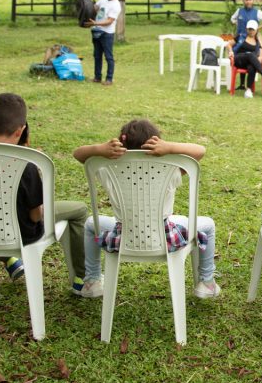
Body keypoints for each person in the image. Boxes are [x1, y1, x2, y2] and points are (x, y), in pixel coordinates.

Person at [0, 93, 88, 292]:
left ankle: (9, 260)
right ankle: (82, 279)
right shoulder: (27, 164)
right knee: (80, 210)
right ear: (20, 130)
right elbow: (35, 216)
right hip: (25, 234)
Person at [73, 119, 221, 300]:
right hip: (164, 238)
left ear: (121, 143)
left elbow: (78, 153)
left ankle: (92, 281)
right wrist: (170, 147)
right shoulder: (170, 168)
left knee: (90, 224)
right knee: (208, 224)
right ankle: (206, 282)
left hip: (123, 236)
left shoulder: (107, 169)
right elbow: (200, 151)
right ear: (157, 143)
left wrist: (100, 149)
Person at [83, 0, 121, 86]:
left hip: (107, 34)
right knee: (97, 55)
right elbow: (94, 8)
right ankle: (97, 77)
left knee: (108, 57)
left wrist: (95, 23)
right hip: (96, 31)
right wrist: (87, 8)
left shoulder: (116, 5)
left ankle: (109, 79)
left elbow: (109, 21)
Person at [229, 20, 262, 98]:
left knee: (252, 67)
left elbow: (260, 56)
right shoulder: (240, 36)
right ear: (246, 29)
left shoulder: (257, 42)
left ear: (256, 30)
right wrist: (230, 51)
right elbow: (229, 44)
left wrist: (257, 61)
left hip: (249, 62)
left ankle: (248, 91)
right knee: (249, 54)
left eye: (253, 29)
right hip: (238, 59)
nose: (251, 31)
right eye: (250, 29)